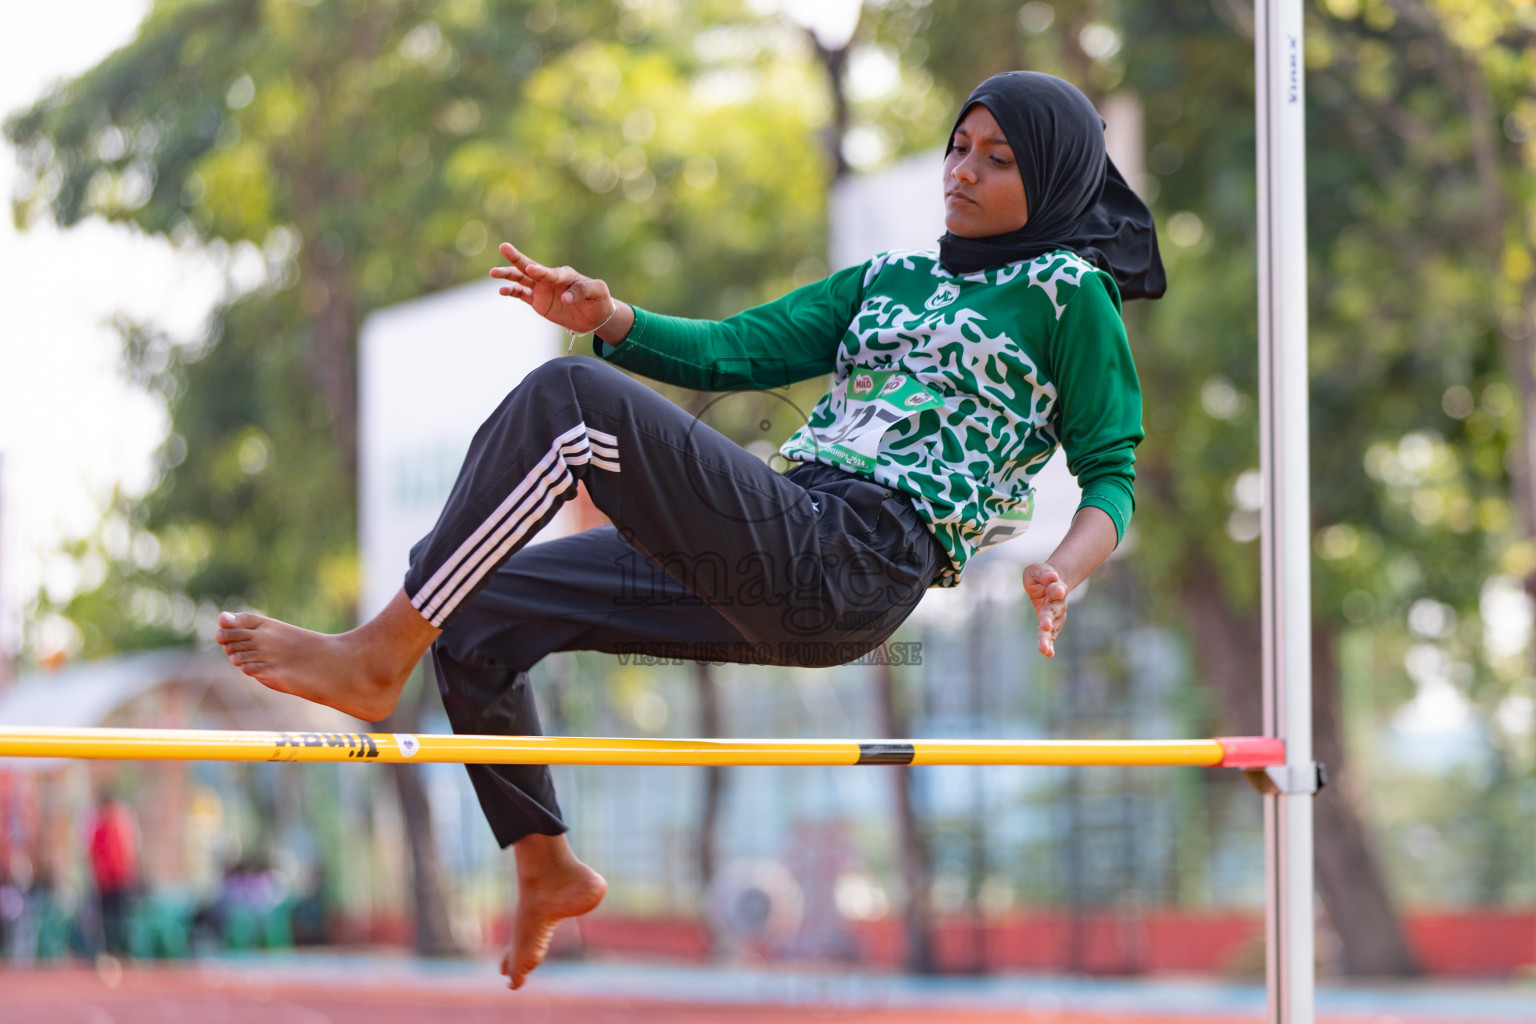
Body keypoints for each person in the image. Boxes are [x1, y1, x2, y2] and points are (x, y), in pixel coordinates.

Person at [215, 70, 1163, 989]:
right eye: (957, 147)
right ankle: (546, 863)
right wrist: (613, 315)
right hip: (789, 529)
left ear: (1055, 179)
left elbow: (1109, 475)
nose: (961, 171)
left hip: (861, 558)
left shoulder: (1066, 295)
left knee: (567, 397)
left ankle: (379, 654)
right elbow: (735, 350)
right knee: (476, 607)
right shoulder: (890, 278)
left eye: (997, 160)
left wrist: (1062, 570)